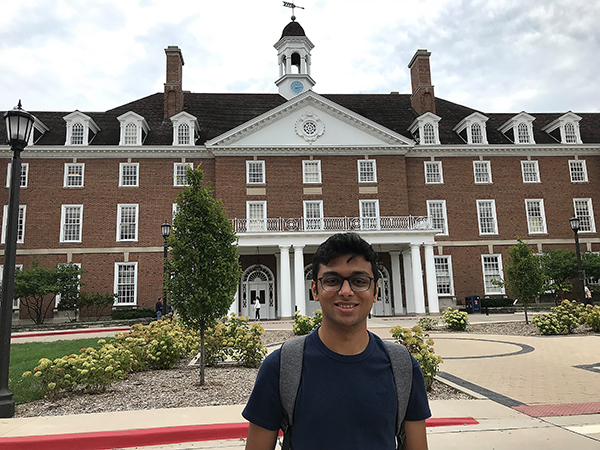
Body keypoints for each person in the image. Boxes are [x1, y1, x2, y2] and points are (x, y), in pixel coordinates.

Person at [242, 232, 430, 450]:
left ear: (376, 290)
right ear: (315, 290)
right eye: (332, 281)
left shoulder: (403, 367)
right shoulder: (281, 367)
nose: (346, 291)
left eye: (359, 281)